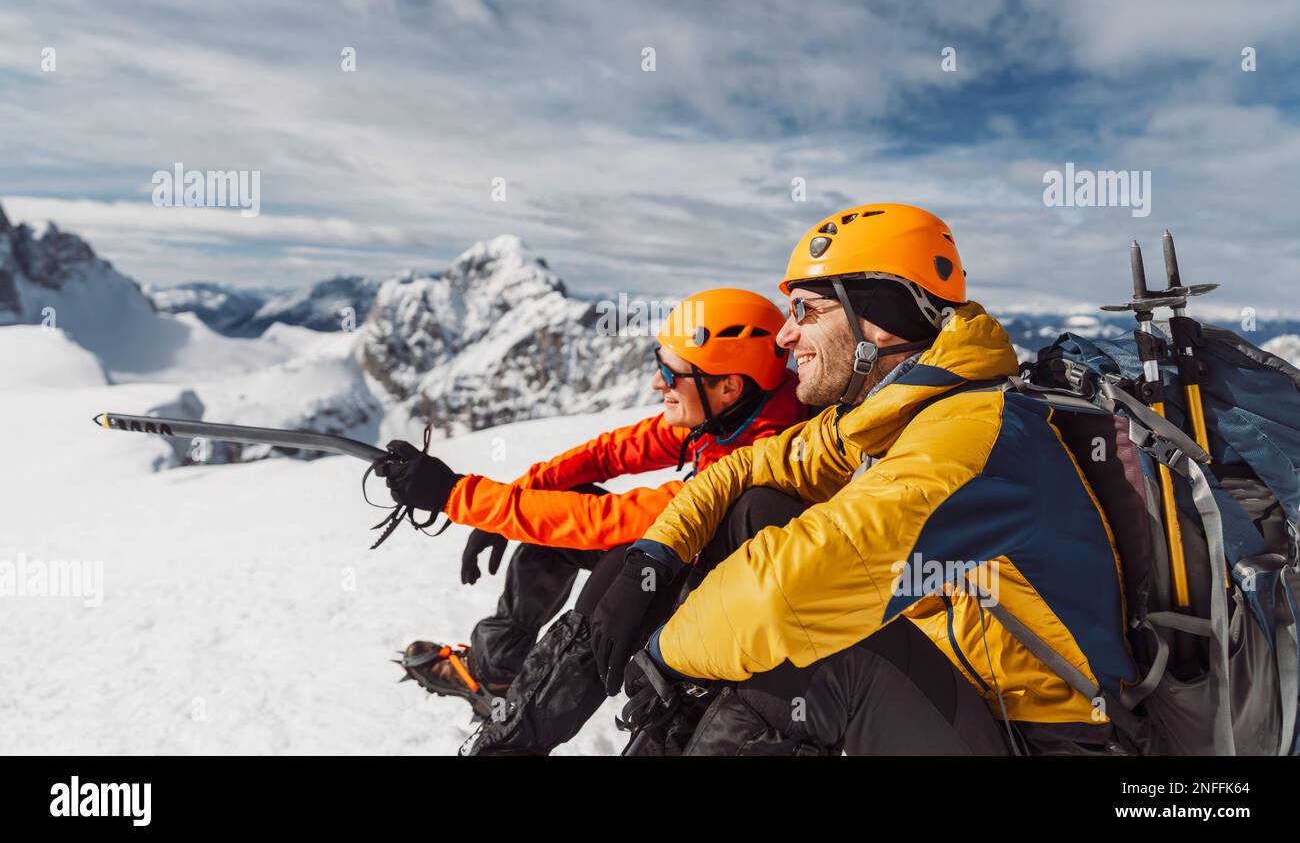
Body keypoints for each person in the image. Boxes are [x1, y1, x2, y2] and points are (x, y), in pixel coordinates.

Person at [595, 202, 1141, 756]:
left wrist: (666, 654)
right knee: (758, 509)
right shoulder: (891, 416)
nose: (784, 337)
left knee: (812, 660)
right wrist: (654, 557)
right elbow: (746, 467)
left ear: (875, 324)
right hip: (965, 697)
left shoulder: (972, 437)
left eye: (805, 310)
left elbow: (784, 594)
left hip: (1048, 741)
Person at [380, 288, 805, 718]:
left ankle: (525, 719)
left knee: (615, 552)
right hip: (689, 567)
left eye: (670, 373)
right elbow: (611, 453)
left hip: (709, 607)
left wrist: (457, 495)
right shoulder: (738, 410)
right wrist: (523, 493)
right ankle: (494, 671)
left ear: (729, 386)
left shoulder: (758, 454)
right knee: (558, 510)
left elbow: (603, 521)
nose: (657, 383)